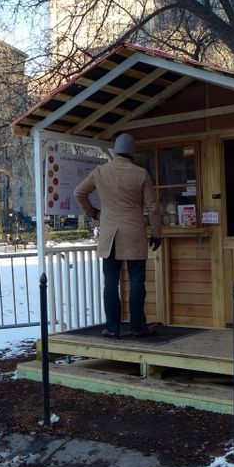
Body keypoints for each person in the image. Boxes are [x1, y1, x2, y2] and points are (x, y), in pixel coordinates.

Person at [74, 133, 162, 338]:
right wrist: (156, 232)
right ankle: (137, 326)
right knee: (137, 282)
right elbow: (152, 207)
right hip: (134, 233)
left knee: (110, 284)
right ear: (132, 151)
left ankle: (112, 328)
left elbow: (79, 193)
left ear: (115, 150)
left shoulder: (100, 172)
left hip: (109, 235)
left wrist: (93, 213)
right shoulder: (141, 174)